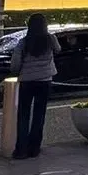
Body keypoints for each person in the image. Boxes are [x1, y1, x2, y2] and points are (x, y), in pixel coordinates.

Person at [11, 14, 60, 159]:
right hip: (45, 81)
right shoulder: (50, 39)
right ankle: (34, 148)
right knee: (39, 114)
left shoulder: (24, 42)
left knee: (23, 115)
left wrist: (16, 72)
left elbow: (15, 62)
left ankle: (21, 149)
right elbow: (58, 49)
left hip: (27, 81)